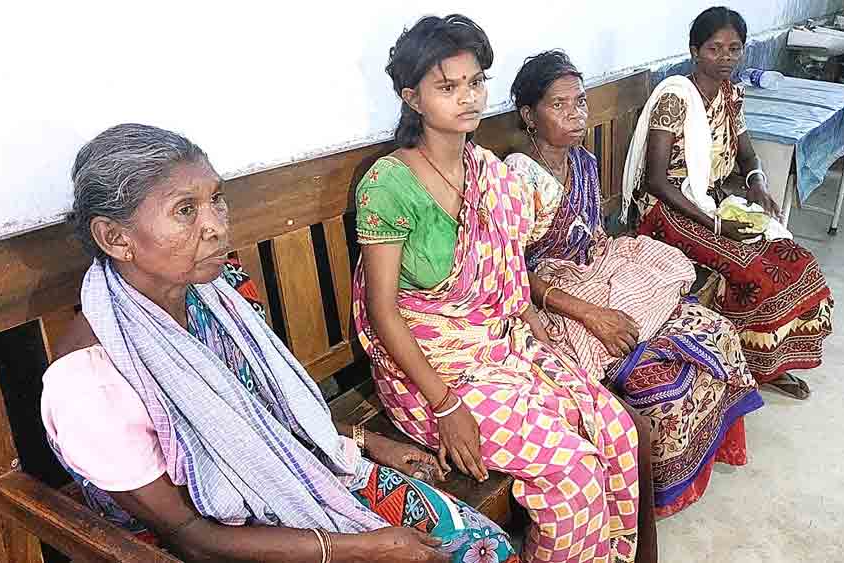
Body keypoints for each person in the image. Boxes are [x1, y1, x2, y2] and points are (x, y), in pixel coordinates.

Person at [40, 123, 518, 563]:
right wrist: (361, 548)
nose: (215, 224)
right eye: (186, 211)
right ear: (114, 238)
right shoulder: (88, 381)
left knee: (483, 548)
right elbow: (190, 536)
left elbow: (271, 407)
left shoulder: (222, 290)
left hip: (294, 471)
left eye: (216, 200)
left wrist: (366, 441)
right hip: (215, 540)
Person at [352, 15, 657, 563]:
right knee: (574, 471)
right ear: (412, 97)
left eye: (475, 82)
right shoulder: (389, 183)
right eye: (448, 87)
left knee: (615, 428)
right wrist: (446, 407)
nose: (468, 98)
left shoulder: (486, 170)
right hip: (430, 371)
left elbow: (503, 267)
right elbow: (382, 313)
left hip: (499, 345)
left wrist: (524, 316)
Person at [504, 50, 763, 517]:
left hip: (594, 270)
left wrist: (617, 283)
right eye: (558, 105)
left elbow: (595, 238)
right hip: (545, 298)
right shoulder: (516, 177)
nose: (576, 114)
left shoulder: (582, 161)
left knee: (715, 331)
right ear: (528, 114)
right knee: (661, 384)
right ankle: (654, 496)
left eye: (580, 102)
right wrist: (590, 312)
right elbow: (510, 271)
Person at [625, 7, 834, 399]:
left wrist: (756, 183)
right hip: (665, 209)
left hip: (712, 201)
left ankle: (769, 362)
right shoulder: (676, 99)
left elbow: (747, 153)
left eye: (733, 49)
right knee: (752, 269)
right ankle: (741, 366)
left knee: (794, 258)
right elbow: (655, 180)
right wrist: (716, 225)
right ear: (694, 51)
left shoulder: (730, 94)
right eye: (714, 48)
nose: (724, 58)